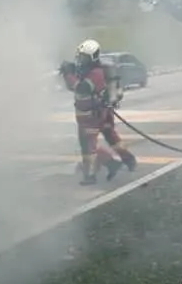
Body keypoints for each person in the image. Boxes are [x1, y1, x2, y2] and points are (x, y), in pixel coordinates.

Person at [59, 39, 137, 185]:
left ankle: (92, 175)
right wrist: (68, 73)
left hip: (92, 116)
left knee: (88, 146)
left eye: (84, 57)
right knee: (111, 137)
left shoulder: (96, 73)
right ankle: (128, 160)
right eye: (80, 56)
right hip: (100, 113)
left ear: (93, 57)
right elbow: (74, 87)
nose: (81, 60)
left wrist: (69, 74)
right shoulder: (88, 71)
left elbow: (81, 88)